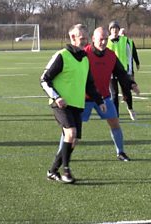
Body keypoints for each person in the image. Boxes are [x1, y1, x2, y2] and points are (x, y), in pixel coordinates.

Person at [40, 24, 106, 184]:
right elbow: (44, 80)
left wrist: (99, 101)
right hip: (61, 105)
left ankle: (53, 170)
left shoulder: (85, 59)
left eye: (86, 38)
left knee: (73, 140)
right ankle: (66, 171)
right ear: (73, 38)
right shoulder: (62, 55)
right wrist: (57, 97)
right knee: (70, 133)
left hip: (77, 105)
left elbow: (89, 84)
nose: (85, 41)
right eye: (82, 38)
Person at [83, 26, 140, 161]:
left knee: (115, 123)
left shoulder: (110, 55)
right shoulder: (84, 54)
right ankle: (62, 157)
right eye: (100, 39)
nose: (103, 42)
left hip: (104, 98)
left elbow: (121, 73)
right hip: (84, 98)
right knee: (72, 132)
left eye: (105, 39)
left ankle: (120, 152)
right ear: (93, 39)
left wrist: (132, 84)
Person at [107, 21, 137, 121]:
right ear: (110, 30)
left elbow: (129, 56)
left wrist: (129, 71)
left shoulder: (125, 40)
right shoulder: (106, 41)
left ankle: (130, 109)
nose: (114, 30)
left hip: (122, 71)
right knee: (114, 95)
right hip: (111, 72)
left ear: (119, 30)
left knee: (126, 92)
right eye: (112, 28)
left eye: (116, 28)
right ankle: (116, 116)